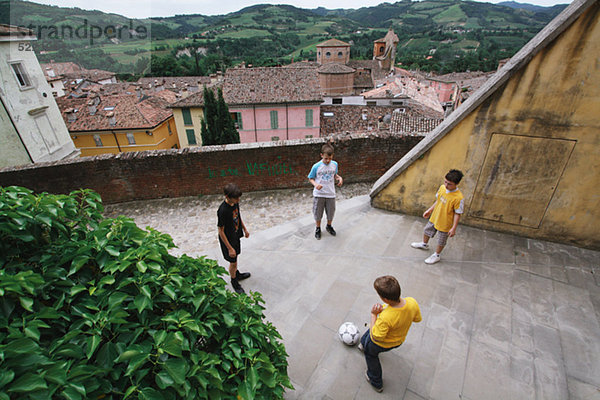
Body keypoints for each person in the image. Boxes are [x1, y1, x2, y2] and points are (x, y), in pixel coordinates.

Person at [359, 275, 421, 393]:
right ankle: (363, 344)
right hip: (398, 339)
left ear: (385, 299)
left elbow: (375, 336)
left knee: (371, 354)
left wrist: (374, 315)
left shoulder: (386, 318)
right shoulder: (412, 302)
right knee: (373, 329)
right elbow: (417, 318)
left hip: (381, 343)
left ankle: (375, 381)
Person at [411, 169, 464, 264]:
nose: (446, 185)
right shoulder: (442, 188)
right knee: (427, 230)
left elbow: (457, 213)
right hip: (435, 217)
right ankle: (424, 244)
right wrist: (430, 210)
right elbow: (438, 200)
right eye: (445, 182)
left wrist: (453, 228)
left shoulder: (458, 198)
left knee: (441, 240)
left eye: (449, 184)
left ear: (457, 184)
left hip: (445, 222)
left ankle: (437, 255)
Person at [217, 183, 250, 294]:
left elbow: (238, 216)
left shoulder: (235, 203)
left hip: (236, 236)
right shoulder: (222, 210)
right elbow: (220, 231)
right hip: (228, 240)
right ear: (227, 196)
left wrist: (244, 229)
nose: (238, 200)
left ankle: (237, 273)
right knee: (233, 262)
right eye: (236, 198)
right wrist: (230, 248)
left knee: (235, 259)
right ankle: (234, 281)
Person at [307, 143, 343, 240]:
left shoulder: (335, 164)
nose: (328, 161)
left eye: (330, 158)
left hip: (331, 193)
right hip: (319, 194)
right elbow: (310, 178)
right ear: (321, 155)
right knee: (318, 212)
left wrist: (339, 178)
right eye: (326, 158)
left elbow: (334, 175)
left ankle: (329, 226)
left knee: (331, 212)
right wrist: (316, 185)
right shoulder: (316, 166)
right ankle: (318, 228)